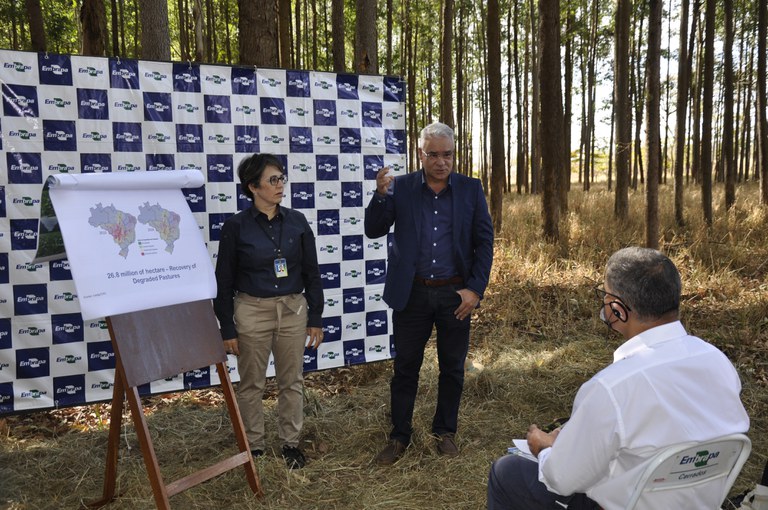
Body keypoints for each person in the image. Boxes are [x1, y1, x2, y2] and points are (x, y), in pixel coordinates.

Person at [487, 247, 750, 509]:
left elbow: (562, 480)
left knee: (506, 472)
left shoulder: (612, 388)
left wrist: (544, 448)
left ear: (617, 309)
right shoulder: (718, 362)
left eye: (605, 295)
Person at [364, 121, 494, 465]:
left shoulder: (470, 189)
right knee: (406, 367)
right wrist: (380, 196)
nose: (441, 161)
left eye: (447, 154)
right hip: (412, 294)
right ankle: (399, 436)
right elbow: (373, 229)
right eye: (433, 154)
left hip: (455, 295)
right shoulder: (401, 187)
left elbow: (485, 242)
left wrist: (475, 290)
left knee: (452, 368)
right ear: (420, 154)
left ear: (454, 154)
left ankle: (445, 432)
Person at [213, 153, 324, 470]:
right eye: (272, 180)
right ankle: (255, 448)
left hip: (292, 309)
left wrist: (315, 318)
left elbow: (312, 273)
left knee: (292, 381)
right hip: (252, 310)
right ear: (253, 187)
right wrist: (227, 329)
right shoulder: (235, 227)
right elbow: (223, 282)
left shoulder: (297, 221)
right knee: (252, 384)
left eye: (281, 178)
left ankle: (291, 444)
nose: (280, 185)